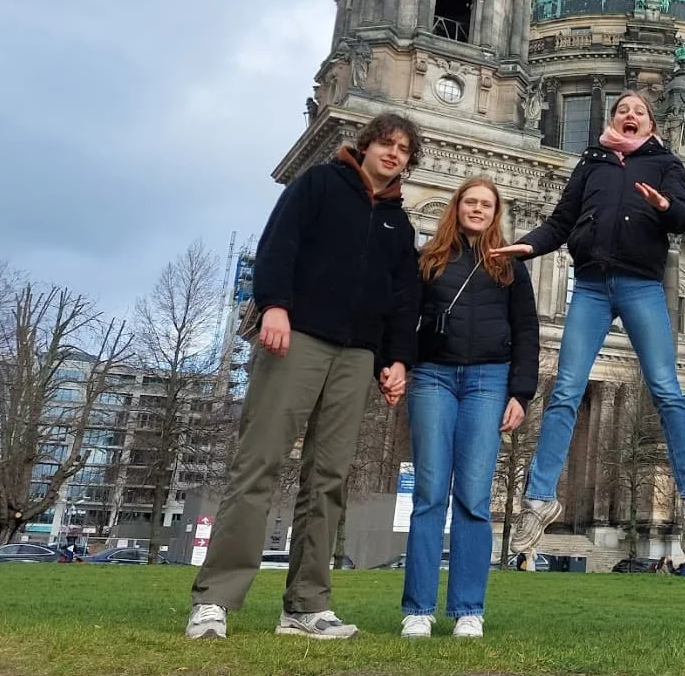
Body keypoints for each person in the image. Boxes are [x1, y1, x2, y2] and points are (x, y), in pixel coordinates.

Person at [186, 113, 422, 641]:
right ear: (364, 146)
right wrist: (273, 306)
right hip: (298, 337)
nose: (393, 153)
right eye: (385, 143)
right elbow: (279, 244)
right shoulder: (318, 185)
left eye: (404, 149)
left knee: (330, 479)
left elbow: (402, 300)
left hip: (358, 353)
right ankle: (216, 600)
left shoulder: (398, 224)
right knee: (259, 463)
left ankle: (306, 606)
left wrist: (396, 359)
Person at [496, 92, 685, 560]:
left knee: (667, 390)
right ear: (612, 119)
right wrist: (529, 247)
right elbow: (559, 221)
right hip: (591, 285)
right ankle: (539, 499)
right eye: (622, 110)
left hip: (641, 286)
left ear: (652, 123)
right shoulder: (590, 162)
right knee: (566, 390)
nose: (629, 116)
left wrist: (662, 206)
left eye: (638, 111)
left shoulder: (665, 163)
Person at [398, 177, 536, 639]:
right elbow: (404, 318)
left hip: (489, 381)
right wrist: (396, 364)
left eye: (486, 205)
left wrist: (521, 393)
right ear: (456, 208)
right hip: (434, 375)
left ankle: (467, 610)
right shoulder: (429, 260)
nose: (477, 209)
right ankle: (418, 609)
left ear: (496, 214)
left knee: (475, 499)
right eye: (470, 202)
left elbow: (527, 332)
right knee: (430, 495)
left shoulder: (511, 267)